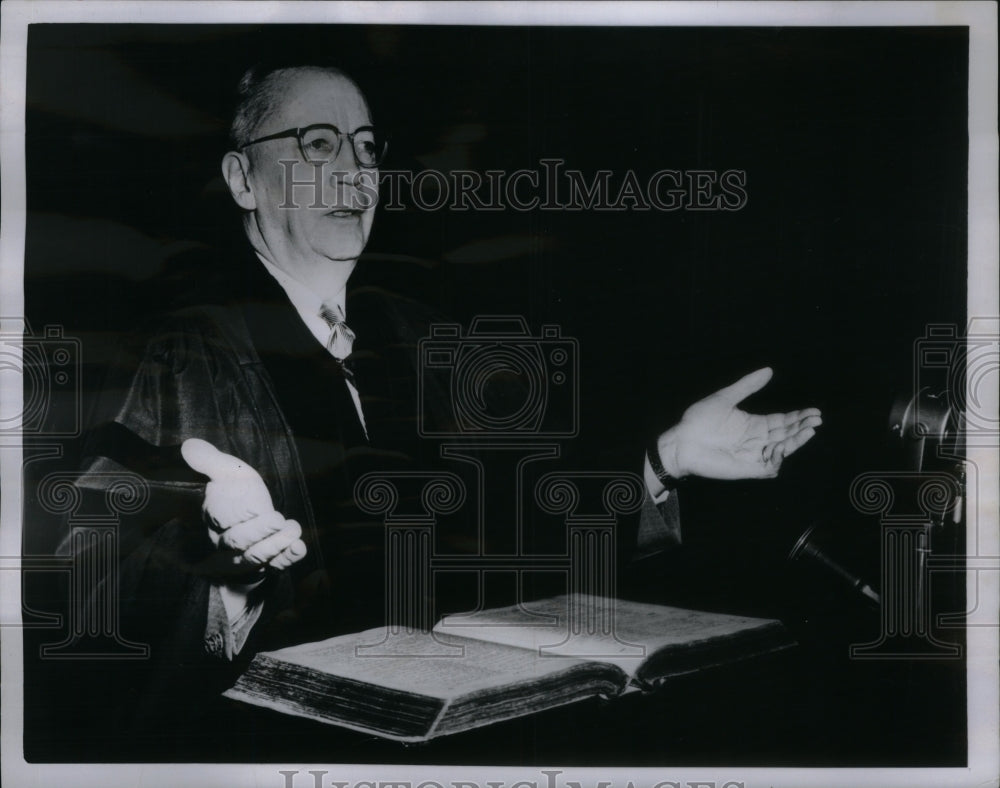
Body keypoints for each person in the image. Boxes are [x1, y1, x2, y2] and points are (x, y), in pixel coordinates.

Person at [67, 64, 821, 744]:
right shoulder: (179, 349)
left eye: (366, 149)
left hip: (457, 733)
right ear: (241, 178)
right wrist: (226, 571)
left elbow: (518, 527)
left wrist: (665, 460)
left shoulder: (418, 335)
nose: (354, 173)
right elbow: (83, 587)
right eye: (318, 144)